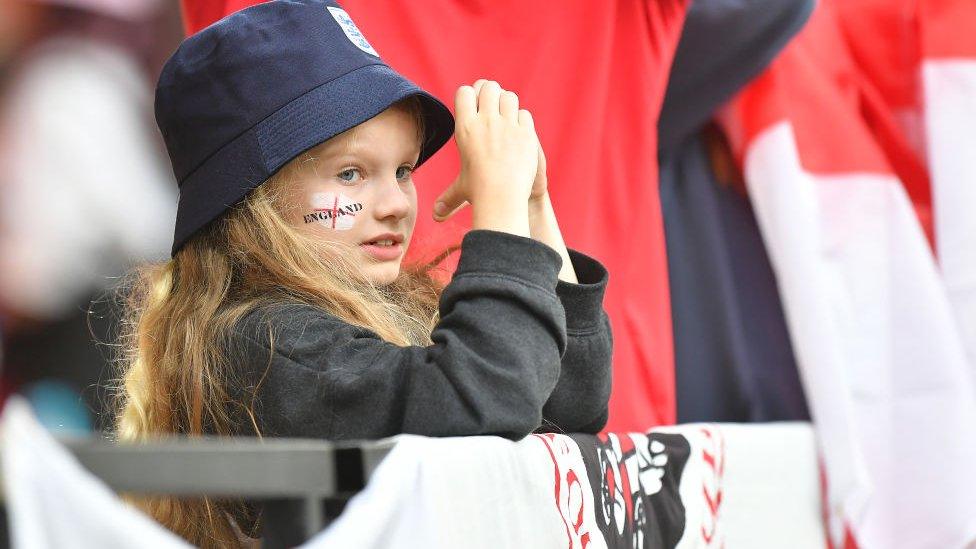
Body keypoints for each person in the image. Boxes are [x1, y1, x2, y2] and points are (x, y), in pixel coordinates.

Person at [112, 1, 612, 546]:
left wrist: (533, 205)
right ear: (252, 203)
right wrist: (497, 213)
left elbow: (570, 402)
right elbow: (489, 400)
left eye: (402, 170)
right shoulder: (265, 342)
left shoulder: (384, 310)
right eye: (351, 174)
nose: (396, 202)